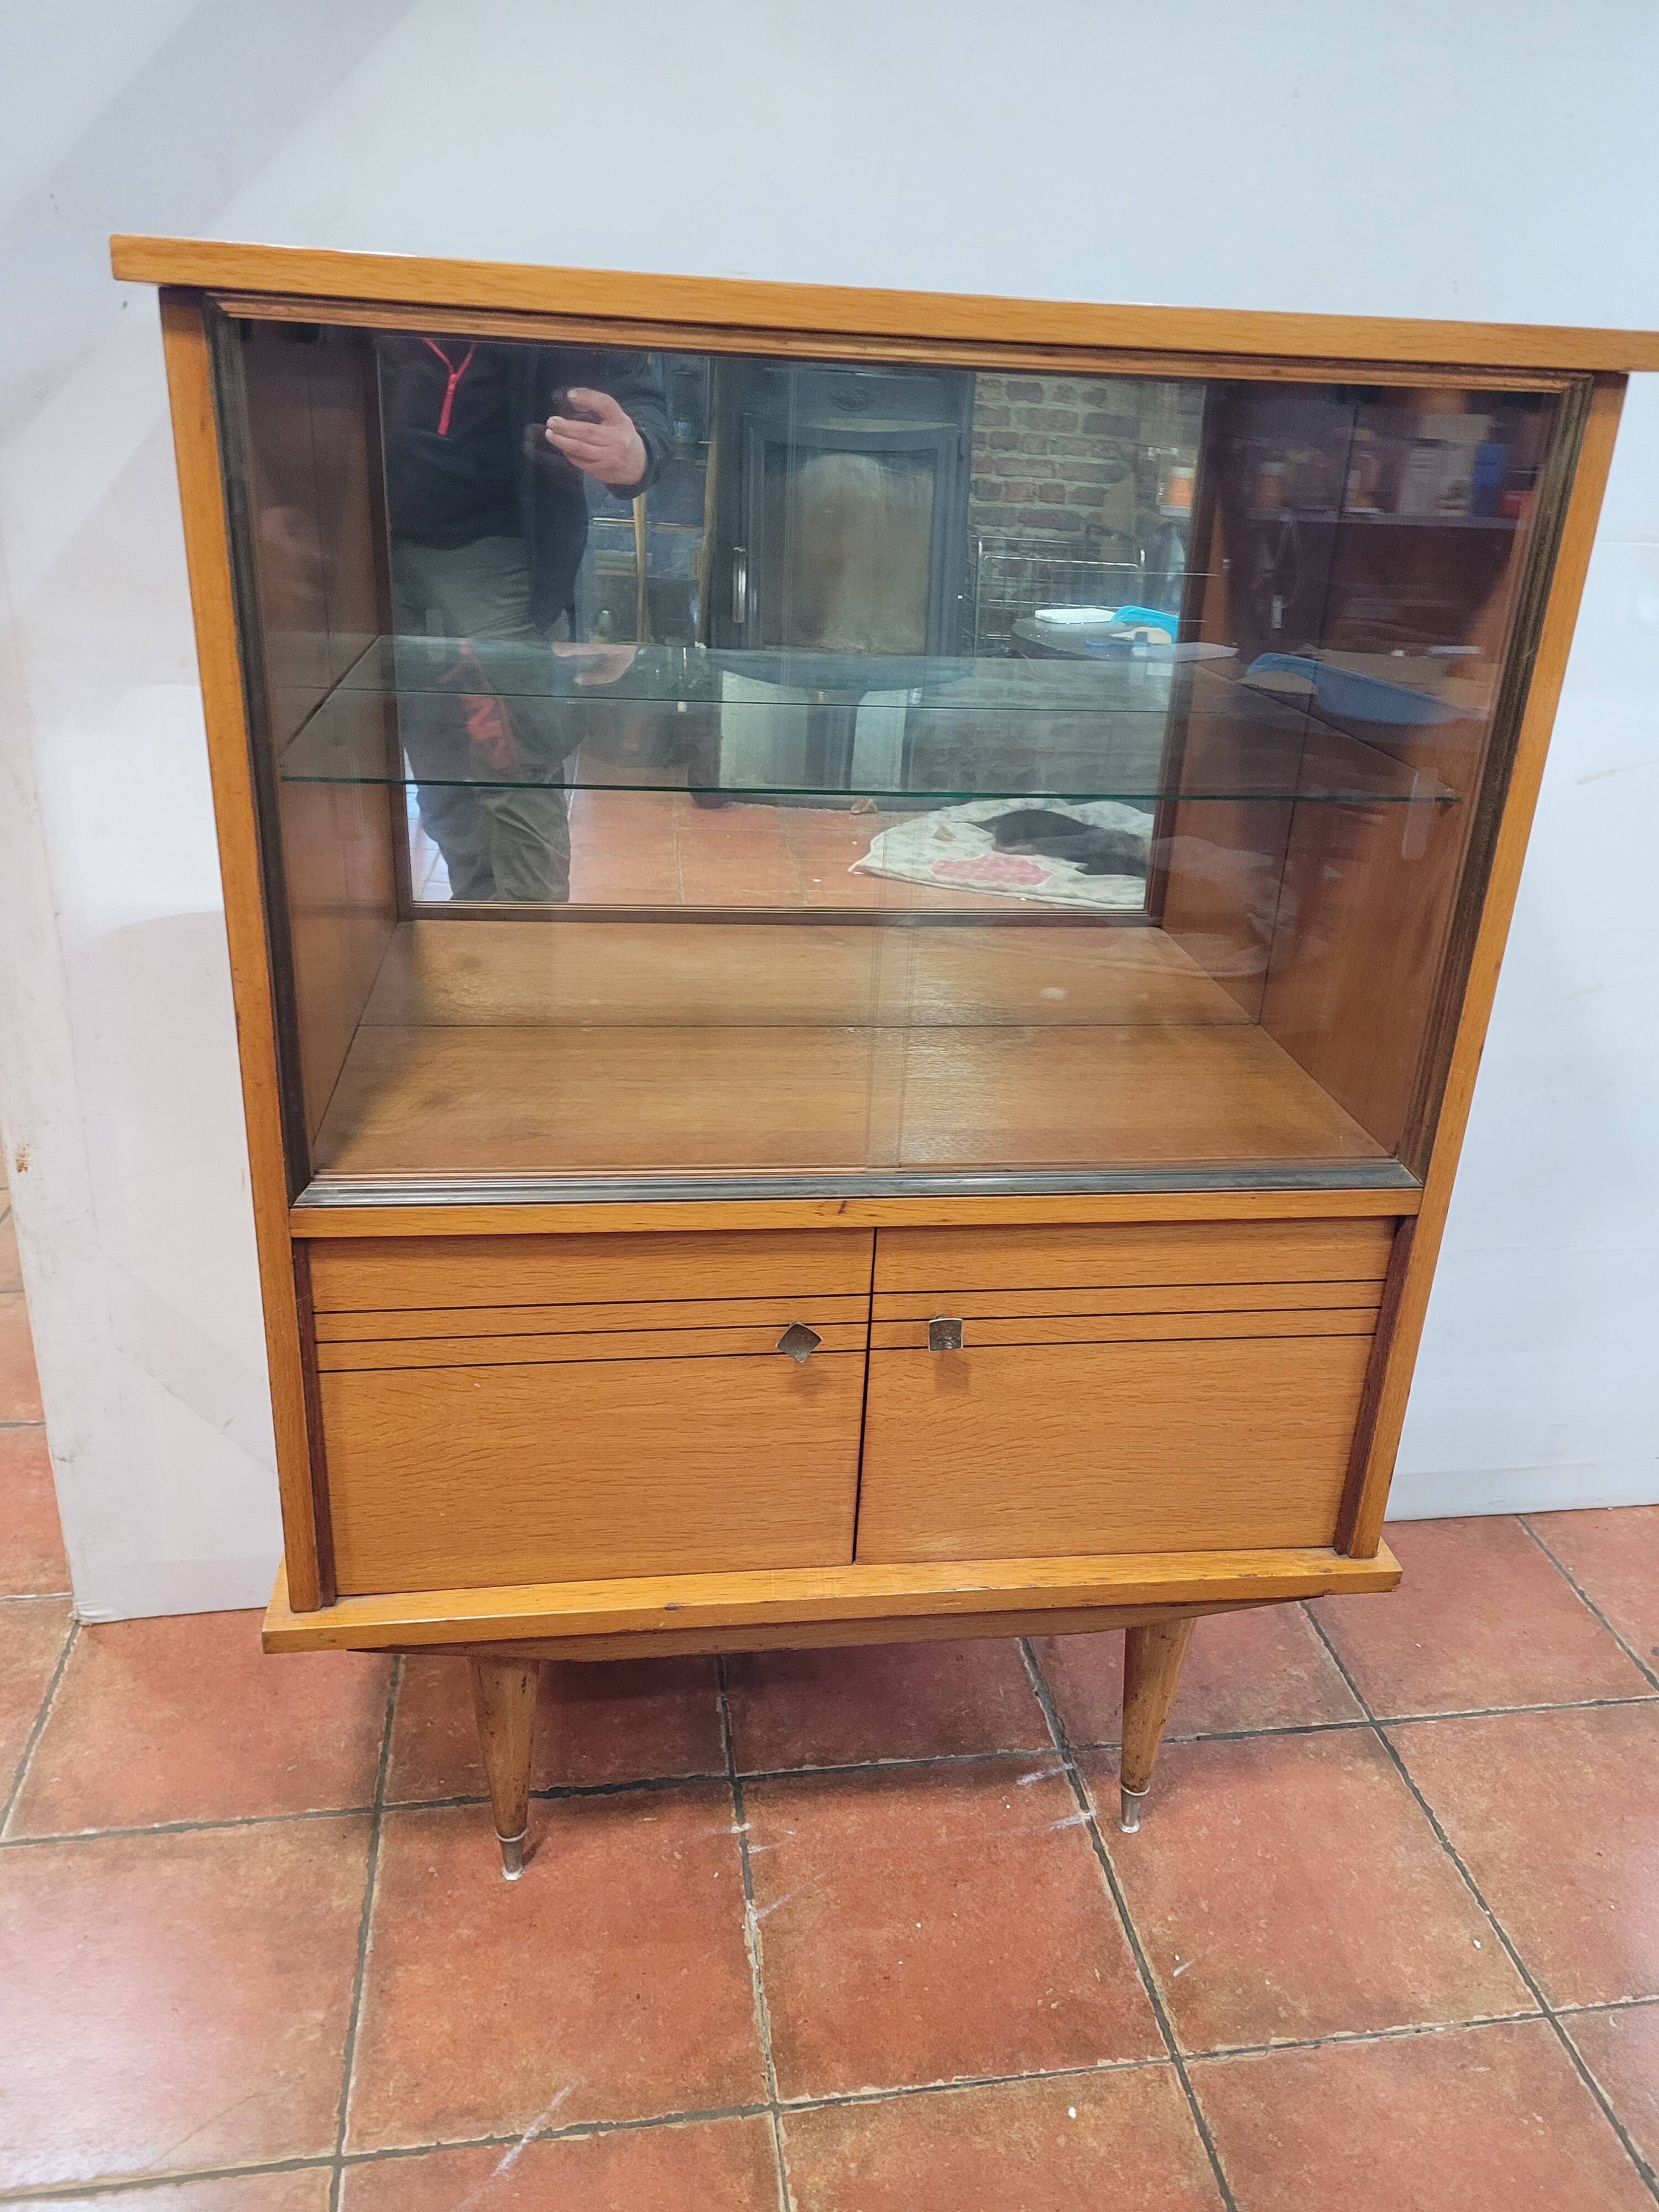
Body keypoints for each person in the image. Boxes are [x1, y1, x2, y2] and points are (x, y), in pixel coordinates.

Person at [378, 335, 672, 901]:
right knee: (435, 776)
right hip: (349, 540)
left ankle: (529, 957)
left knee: (516, 771)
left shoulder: (548, 270)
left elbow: (638, 395)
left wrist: (637, 453)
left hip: (502, 551)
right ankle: (483, 922)